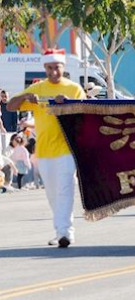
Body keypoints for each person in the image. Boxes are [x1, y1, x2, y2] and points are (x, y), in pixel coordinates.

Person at [7, 49, 85, 247]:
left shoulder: (74, 89)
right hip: (44, 151)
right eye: (50, 68)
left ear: (63, 67)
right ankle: (60, 230)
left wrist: (68, 105)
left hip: (67, 149)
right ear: (44, 68)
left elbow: (85, 112)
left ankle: (65, 233)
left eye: (57, 68)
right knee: (52, 193)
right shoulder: (38, 89)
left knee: (65, 190)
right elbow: (10, 106)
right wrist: (26, 98)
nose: (54, 72)